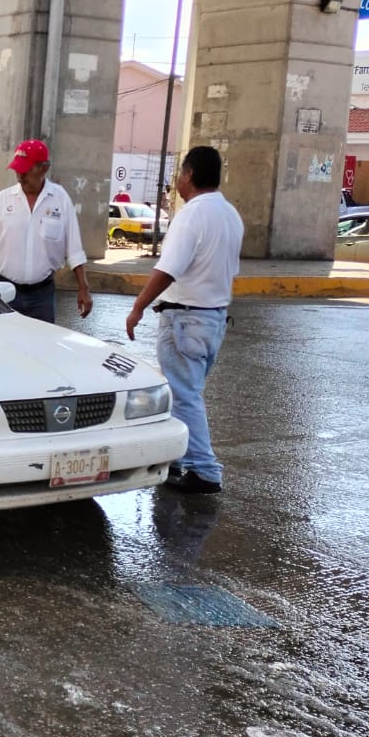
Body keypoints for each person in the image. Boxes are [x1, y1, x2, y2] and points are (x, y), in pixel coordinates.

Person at [124, 145, 244, 495]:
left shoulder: (192, 215)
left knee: (184, 395)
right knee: (186, 394)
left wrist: (138, 307)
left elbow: (168, 270)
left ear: (189, 175)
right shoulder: (230, 214)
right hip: (213, 319)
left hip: (185, 319)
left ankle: (205, 470)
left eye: (180, 173)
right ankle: (179, 460)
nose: (178, 179)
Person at [0, 139, 91, 322]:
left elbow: (74, 249)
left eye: (26, 170)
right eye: (17, 170)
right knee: (2, 347)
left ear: (44, 168)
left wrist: (83, 288)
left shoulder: (60, 200)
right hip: (4, 292)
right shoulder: (2, 200)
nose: (20, 176)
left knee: (41, 347)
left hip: (42, 296)